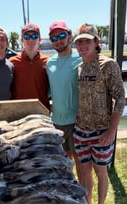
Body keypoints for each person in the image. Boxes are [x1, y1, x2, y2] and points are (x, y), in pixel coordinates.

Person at [73, 24, 126, 204]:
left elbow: (120, 98)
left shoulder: (108, 65)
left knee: (101, 170)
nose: (83, 45)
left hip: (102, 131)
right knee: (84, 171)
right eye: (80, 42)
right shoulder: (79, 67)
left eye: (88, 40)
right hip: (81, 131)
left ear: (97, 42)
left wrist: (112, 131)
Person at [46, 20, 82, 178]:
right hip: (57, 123)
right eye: (54, 38)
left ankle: (84, 202)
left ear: (69, 36)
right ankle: (70, 195)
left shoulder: (80, 59)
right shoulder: (49, 63)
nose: (58, 40)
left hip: (77, 123)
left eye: (61, 35)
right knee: (65, 164)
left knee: (82, 166)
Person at [9, 23, 50, 110]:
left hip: (42, 111)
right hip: (18, 112)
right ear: (21, 40)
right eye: (27, 36)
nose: (31, 40)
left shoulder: (48, 61)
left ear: (40, 39)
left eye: (34, 36)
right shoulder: (12, 62)